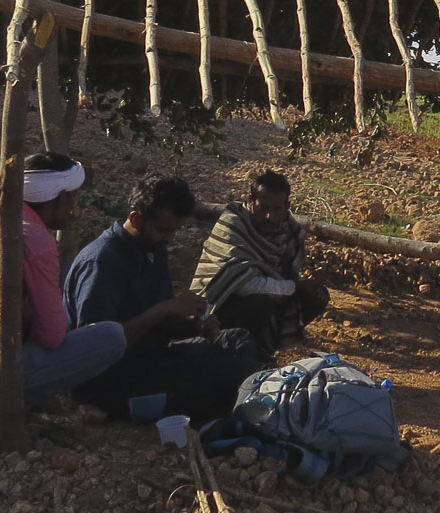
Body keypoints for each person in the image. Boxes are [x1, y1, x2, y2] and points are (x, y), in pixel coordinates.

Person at [0, 152, 125, 420]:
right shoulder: (34, 240)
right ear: (62, 198)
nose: (75, 205)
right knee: (112, 337)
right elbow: (52, 337)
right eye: (73, 196)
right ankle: (9, 408)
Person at [62, 175, 261, 423]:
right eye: (162, 230)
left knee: (238, 340)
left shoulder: (153, 250)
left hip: (154, 360)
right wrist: (164, 309)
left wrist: (194, 326)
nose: (169, 239)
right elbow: (95, 349)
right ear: (136, 219)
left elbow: (163, 326)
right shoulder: (102, 262)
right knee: (228, 374)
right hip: (113, 383)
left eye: (174, 231)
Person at [189, 171, 330, 356]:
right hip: (216, 307)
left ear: (287, 206)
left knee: (317, 295)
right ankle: (237, 352)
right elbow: (244, 284)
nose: (270, 216)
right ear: (250, 201)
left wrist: (300, 287)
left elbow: (283, 274)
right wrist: (296, 287)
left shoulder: (289, 231)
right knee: (261, 303)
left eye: (277, 209)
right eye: (263, 207)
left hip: (265, 297)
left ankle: (264, 348)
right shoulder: (233, 222)